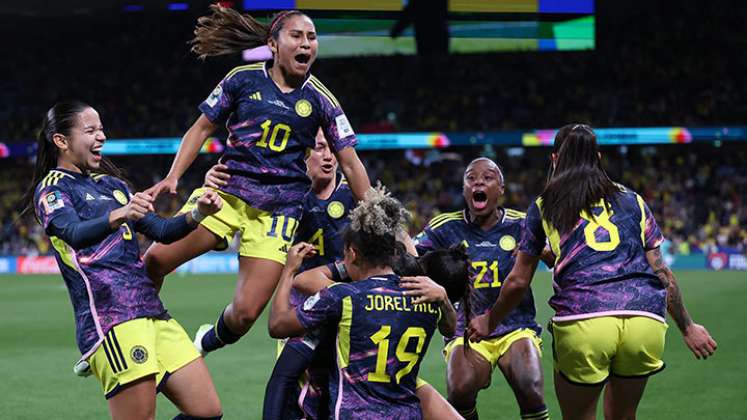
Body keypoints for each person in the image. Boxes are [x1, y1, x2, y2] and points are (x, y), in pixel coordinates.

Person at [142, 6, 370, 356]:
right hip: (227, 194)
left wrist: (375, 214)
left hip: (277, 214)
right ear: (273, 44)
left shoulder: (322, 100)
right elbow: (201, 127)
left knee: (246, 314)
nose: (306, 43)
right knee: (155, 262)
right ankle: (134, 329)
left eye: (311, 37)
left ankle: (204, 340)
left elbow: (351, 165)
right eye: (297, 35)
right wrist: (174, 176)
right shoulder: (241, 79)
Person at [468, 124, 718, 420]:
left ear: (555, 160)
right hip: (644, 319)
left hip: (585, 319)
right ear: (598, 158)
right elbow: (661, 271)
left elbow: (520, 280)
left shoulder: (544, 204)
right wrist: (688, 327)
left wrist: (490, 320)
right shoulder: (633, 200)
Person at [23, 101, 224, 420]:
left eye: (101, 128)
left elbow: (163, 230)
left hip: (153, 313)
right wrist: (120, 214)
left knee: (207, 412)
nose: (101, 135)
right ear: (61, 141)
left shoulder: (114, 186)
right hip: (112, 319)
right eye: (90, 130)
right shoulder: (53, 188)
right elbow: (71, 232)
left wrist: (198, 210)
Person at [268, 189, 457, 419]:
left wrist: (288, 271)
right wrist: (445, 298)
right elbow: (449, 329)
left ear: (352, 253)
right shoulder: (424, 295)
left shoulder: (342, 297)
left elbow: (277, 325)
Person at [414, 157, 550, 420]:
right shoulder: (445, 227)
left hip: (515, 325)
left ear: (501, 189)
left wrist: (544, 252)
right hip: (467, 327)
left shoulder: (522, 224)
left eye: (487, 178)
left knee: (530, 387)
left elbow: (559, 255)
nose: (478, 181)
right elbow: (412, 258)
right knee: (459, 389)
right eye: (470, 178)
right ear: (465, 190)